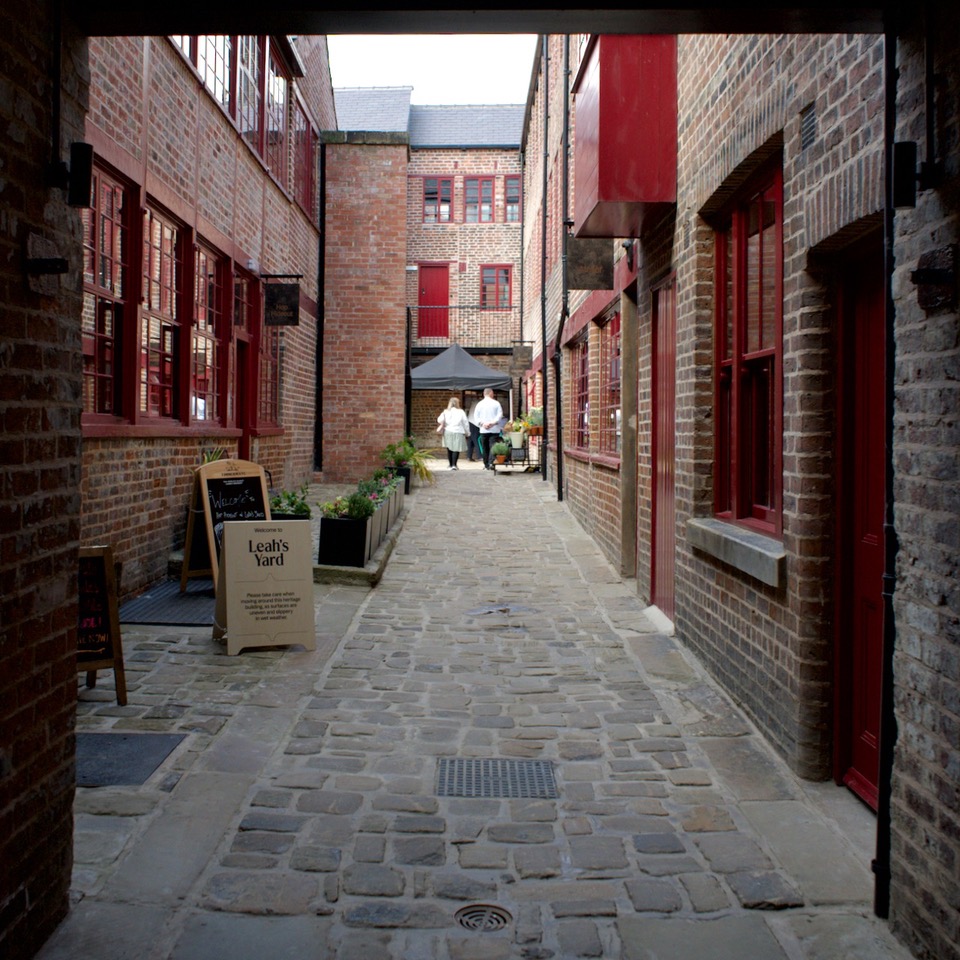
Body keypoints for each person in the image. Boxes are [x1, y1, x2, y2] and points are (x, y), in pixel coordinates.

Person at [436, 397, 471, 470]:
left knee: (449, 448)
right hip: (458, 431)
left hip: (448, 431)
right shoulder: (461, 412)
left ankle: (450, 464)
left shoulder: (445, 411)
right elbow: (465, 423)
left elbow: (439, 420)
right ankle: (454, 465)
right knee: (456, 448)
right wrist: (467, 432)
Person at [474, 387, 504, 470]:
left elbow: (476, 417)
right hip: (494, 429)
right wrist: (492, 423)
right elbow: (499, 415)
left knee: (485, 447)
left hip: (483, 429)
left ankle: (486, 464)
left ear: (484, 394)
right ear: (491, 393)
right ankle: (491, 463)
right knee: (493, 446)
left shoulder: (479, 404)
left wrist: (483, 424)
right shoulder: (496, 403)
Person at [466, 395, 481, 461]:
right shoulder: (480, 403)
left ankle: (469, 456)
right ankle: (480, 456)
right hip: (475, 423)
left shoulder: (474, 402)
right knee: (476, 440)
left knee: (471, 441)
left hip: (470, 422)